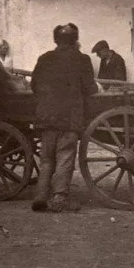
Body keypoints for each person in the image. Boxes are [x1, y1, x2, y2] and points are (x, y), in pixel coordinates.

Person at [30, 23, 98, 213]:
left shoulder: (44, 59)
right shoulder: (81, 59)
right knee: (65, 157)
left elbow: (34, 85)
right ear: (75, 40)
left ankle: (41, 196)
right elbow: (90, 88)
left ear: (55, 40)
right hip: (69, 118)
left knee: (47, 159)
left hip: (46, 117)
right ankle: (59, 198)